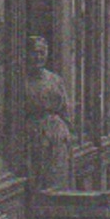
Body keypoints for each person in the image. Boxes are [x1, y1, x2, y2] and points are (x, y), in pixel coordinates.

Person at [23, 35, 72, 190]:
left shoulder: (54, 79)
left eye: (42, 52)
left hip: (55, 134)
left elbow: (65, 108)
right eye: (35, 52)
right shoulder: (21, 81)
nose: (38, 57)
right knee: (35, 179)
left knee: (56, 178)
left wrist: (67, 132)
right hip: (31, 134)